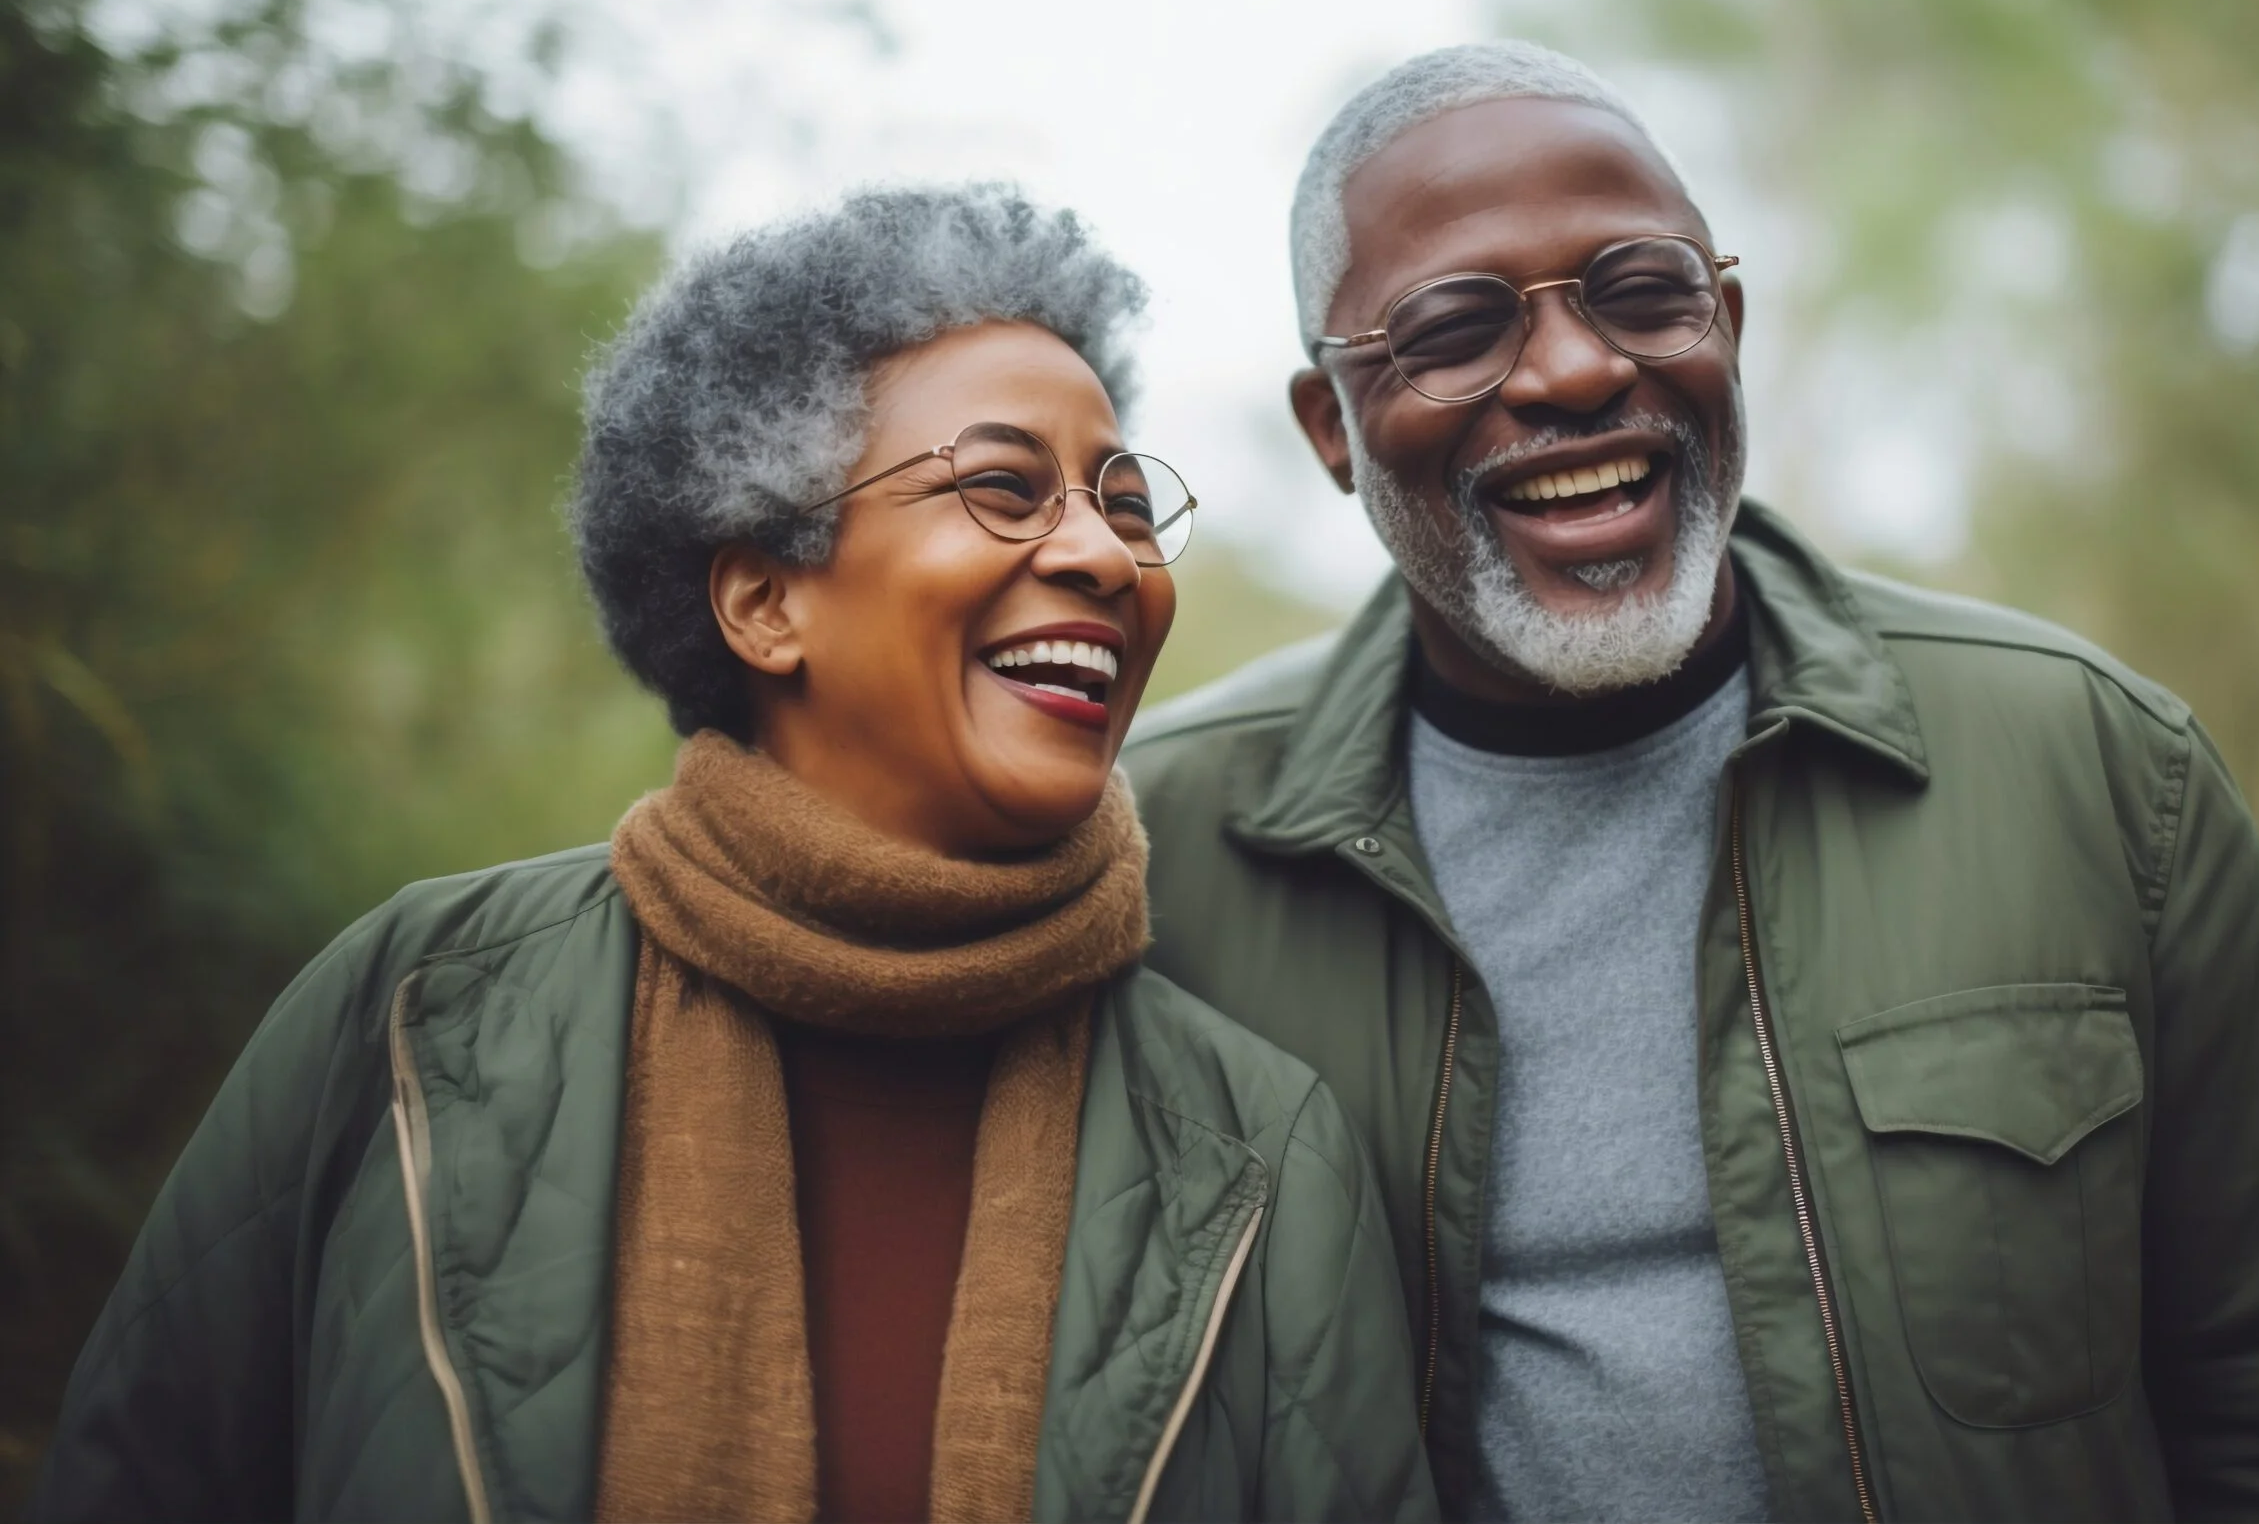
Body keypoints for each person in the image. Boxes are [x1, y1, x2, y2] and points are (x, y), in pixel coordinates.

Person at [1125, 43, 2259, 1523]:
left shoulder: (2103, 766)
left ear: (1724, 322)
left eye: (1641, 290)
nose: (1575, 368)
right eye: (1455, 327)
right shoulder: (1164, 859)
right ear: (1328, 431)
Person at [33, 185, 1435, 1524]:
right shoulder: (411, 1012)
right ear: (766, 602)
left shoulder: (1261, 1144)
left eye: (1126, 503)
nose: (1106, 554)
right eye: (1006, 486)